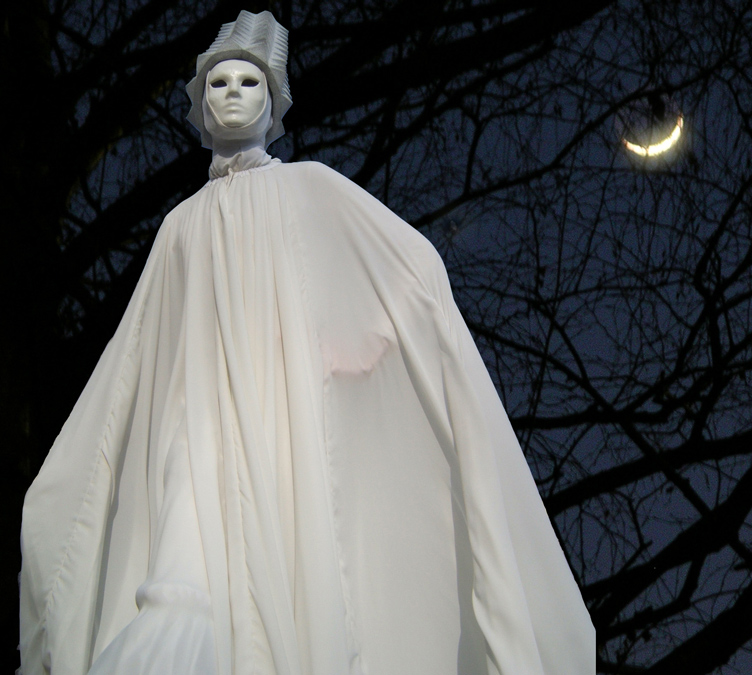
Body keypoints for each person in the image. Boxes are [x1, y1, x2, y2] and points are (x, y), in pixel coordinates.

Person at [19, 10, 594, 675]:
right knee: (184, 564)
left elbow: (407, 268)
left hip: (281, 419)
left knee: (286, 569)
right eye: (219, 83)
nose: (233, 92)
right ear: (200, 105)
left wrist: (370, 349)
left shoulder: (309, 188)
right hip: (196, 424)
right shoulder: (179, 226)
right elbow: (138, 352)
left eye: (249, 82)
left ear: (273, 104)